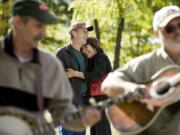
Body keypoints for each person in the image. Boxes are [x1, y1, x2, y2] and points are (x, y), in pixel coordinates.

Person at [0, 0, 101, 134]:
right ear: (18, 22)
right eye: (38, 25)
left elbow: (62, 108)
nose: (43, 32)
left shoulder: (49, 64)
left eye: (44, 26)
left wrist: (81, 120)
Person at [101, 5, 180, 135]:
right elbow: (107, 84)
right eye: (169, 28)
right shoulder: (145, 63)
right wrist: (133, 89)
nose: (178, 31)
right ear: (157, 34)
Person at [56, 22, 93, 135]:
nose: (86, 34)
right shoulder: (62, 53)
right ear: (74, 33)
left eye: (87, 32)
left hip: (84, 102)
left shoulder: (86, 55)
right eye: (83, 31)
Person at [76, 37, 112, 135]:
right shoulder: (91, 60)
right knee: (94, 129)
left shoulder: (101, 58)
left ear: (94, 46)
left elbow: (94, 76)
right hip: (93, 99)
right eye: (82, 49)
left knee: (102, 129)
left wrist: (75, 73)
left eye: (86, 47)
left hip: (102, 98)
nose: (84, 51)